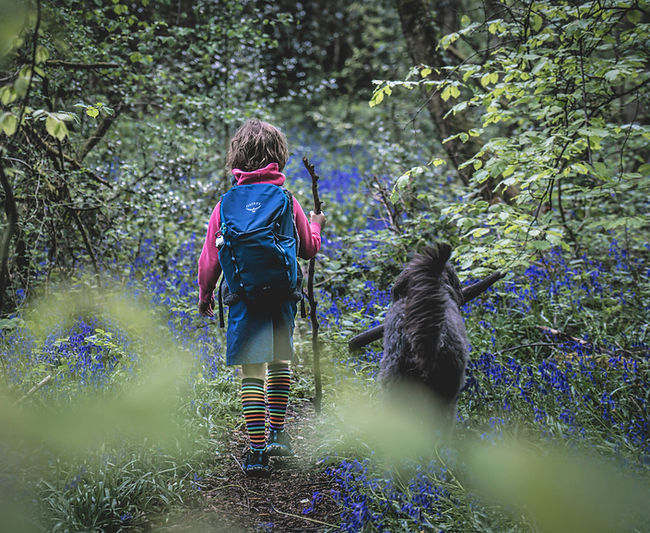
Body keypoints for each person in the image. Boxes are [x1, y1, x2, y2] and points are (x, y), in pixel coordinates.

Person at [197, 119, 326, 477]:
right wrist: (317, 223)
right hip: (282, 296)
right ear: (278, 157)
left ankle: (256, 453)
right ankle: (279, 435)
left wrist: (205, 294)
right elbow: (308, 248)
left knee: (251, 373)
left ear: (236, 158)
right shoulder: (287, 200)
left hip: (242, 297)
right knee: (280, 362)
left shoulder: (224, 205)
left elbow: (210, 258)